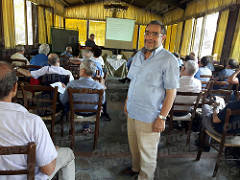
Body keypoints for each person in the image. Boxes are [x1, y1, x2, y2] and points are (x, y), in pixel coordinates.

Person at [122, 20, 179, 180]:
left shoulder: (169, 60)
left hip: (150, 116)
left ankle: (145, 177)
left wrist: (162, 118)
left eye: (155, 34)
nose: (149, 37)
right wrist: (127, 101)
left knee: (147, 153)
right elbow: (133, 81)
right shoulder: (138, 55)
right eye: (147, 33)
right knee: (134, 147)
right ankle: (135, 168)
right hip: (132, 111)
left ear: (164, 38)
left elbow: (171, 93)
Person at [0, 62, 75, 180]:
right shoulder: (32, 122)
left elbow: (30, 74)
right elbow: (48, 169)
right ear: (15, 88)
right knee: (68, 154)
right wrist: (53, 153)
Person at [60, 59, 106, 133]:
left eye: (80, 69)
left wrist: (62, 91)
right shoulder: (99, 86)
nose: (79, 70)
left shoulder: (72, 84)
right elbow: (103, 101)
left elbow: (63, 100)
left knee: (69, 102)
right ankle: (86, 127)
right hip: (93, 112)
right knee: (89, 101)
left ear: (83, 70)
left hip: (76, 112)